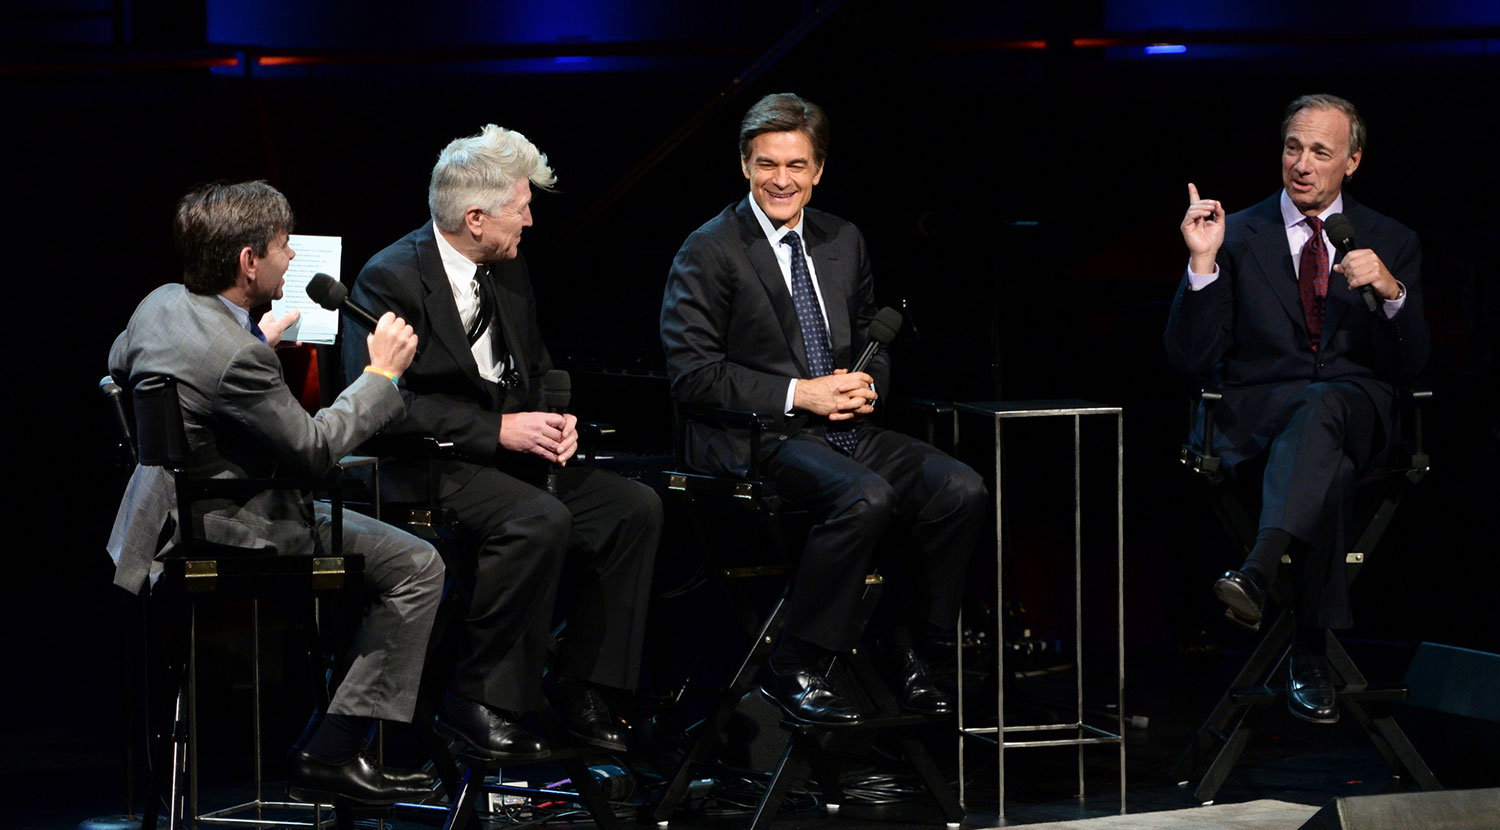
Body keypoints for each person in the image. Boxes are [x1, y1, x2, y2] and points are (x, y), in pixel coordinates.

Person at [107, 181, 444, 805]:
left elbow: (120, 367)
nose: (294, 258)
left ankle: (338, 730)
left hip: (160, 519)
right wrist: (381, 375)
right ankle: (331, 750)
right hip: (237, 527)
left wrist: (251, 349)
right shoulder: (240, 359)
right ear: (248, 261)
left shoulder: (159, 305)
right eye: (285, 246)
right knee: (418, 563)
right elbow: (316, 450)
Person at [660, 93, 987, 724]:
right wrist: (798, 393)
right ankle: (796, 662)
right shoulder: (709, 250)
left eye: (796, 165)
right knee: (866, 497)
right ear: (745, 165)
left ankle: (912, 646)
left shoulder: (844, 239)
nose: (780, 179)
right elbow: (693, 375)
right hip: (759, 437)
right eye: (766, 164)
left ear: (818, 170)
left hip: (843, 426)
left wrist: (869, 383)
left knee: (960, 489)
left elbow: (872, 335)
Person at [343, 125, 661, 758]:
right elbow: (384, 404)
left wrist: (551, 421)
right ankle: (479, 699)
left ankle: (583, 688)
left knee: (633, 509)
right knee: (537, 520)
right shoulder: (392, 278)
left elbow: (534, 370)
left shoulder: (507, 269)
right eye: (523, 207)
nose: (532, 220)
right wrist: (497, 429)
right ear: (476, 217)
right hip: (426, 462)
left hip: (505, 457)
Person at [1165, 94, 1429, 723]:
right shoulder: (1236, 233)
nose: (1302, 164)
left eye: (1320, 151)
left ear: (1352, 161)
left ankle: (1256, 573)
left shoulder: (1391, 239)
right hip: (1259, 427)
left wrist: (1392, 293)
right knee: (1326, 471)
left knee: (1325, 407)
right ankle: (1309, 651)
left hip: (1357, 413)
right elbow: (1189, 355)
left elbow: (1413, 363)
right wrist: (1202, 263)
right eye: (1292, 147)